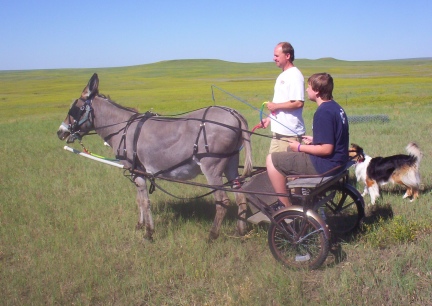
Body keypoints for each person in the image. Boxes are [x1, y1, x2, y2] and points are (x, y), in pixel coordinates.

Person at [266, 73, 349, 207]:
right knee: (288, 151)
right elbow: (334, 138)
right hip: (338, 162)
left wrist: (300, 147)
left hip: (326, 165)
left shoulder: (323, 113)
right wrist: (315, 140)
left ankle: (286, 206)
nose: (306, 90)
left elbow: (326, 149)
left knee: (271, 160)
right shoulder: (335, 107)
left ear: (317, 91)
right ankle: (298, 197)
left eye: (309, 87)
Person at [256, 42, 306, 153]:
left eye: (277, 56)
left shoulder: (295, 75)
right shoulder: (283, 75)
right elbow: (279, 104)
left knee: (288, 168)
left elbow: (298, 103)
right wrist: (269, 119)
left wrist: (275, 106)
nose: (274, 58)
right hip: (278, 132)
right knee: (272, 165)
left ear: (287, 56)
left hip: (289, 133)